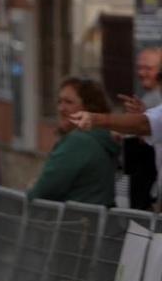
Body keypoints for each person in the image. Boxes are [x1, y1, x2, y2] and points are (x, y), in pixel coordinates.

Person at [29, 77, 117, 207]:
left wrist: (33, 187)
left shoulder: (79, 142)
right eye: (59, 102)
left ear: (88, 108)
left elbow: (41, 192)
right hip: (91, 222)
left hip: (71, 223)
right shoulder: (100, 139)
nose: (61, 108)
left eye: (68, 102)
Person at [125, 49, 162, 212]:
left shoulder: (156, 99)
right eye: (139, 68)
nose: (142, 73)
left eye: (148, 68)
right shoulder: (148, 97)